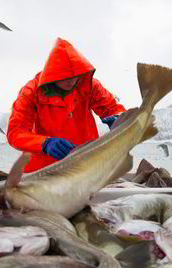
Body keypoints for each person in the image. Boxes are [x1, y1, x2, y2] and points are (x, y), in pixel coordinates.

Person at [7, 37, 126, 173]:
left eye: (75, 75)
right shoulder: (30, 92)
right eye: (64, 77)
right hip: (42, 171)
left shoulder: (89, 86)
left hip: (86, 166)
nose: (72, 81)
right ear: (52, 74)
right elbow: (15, 132)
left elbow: (112, 108)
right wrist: (44, 143)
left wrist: (120, 119)